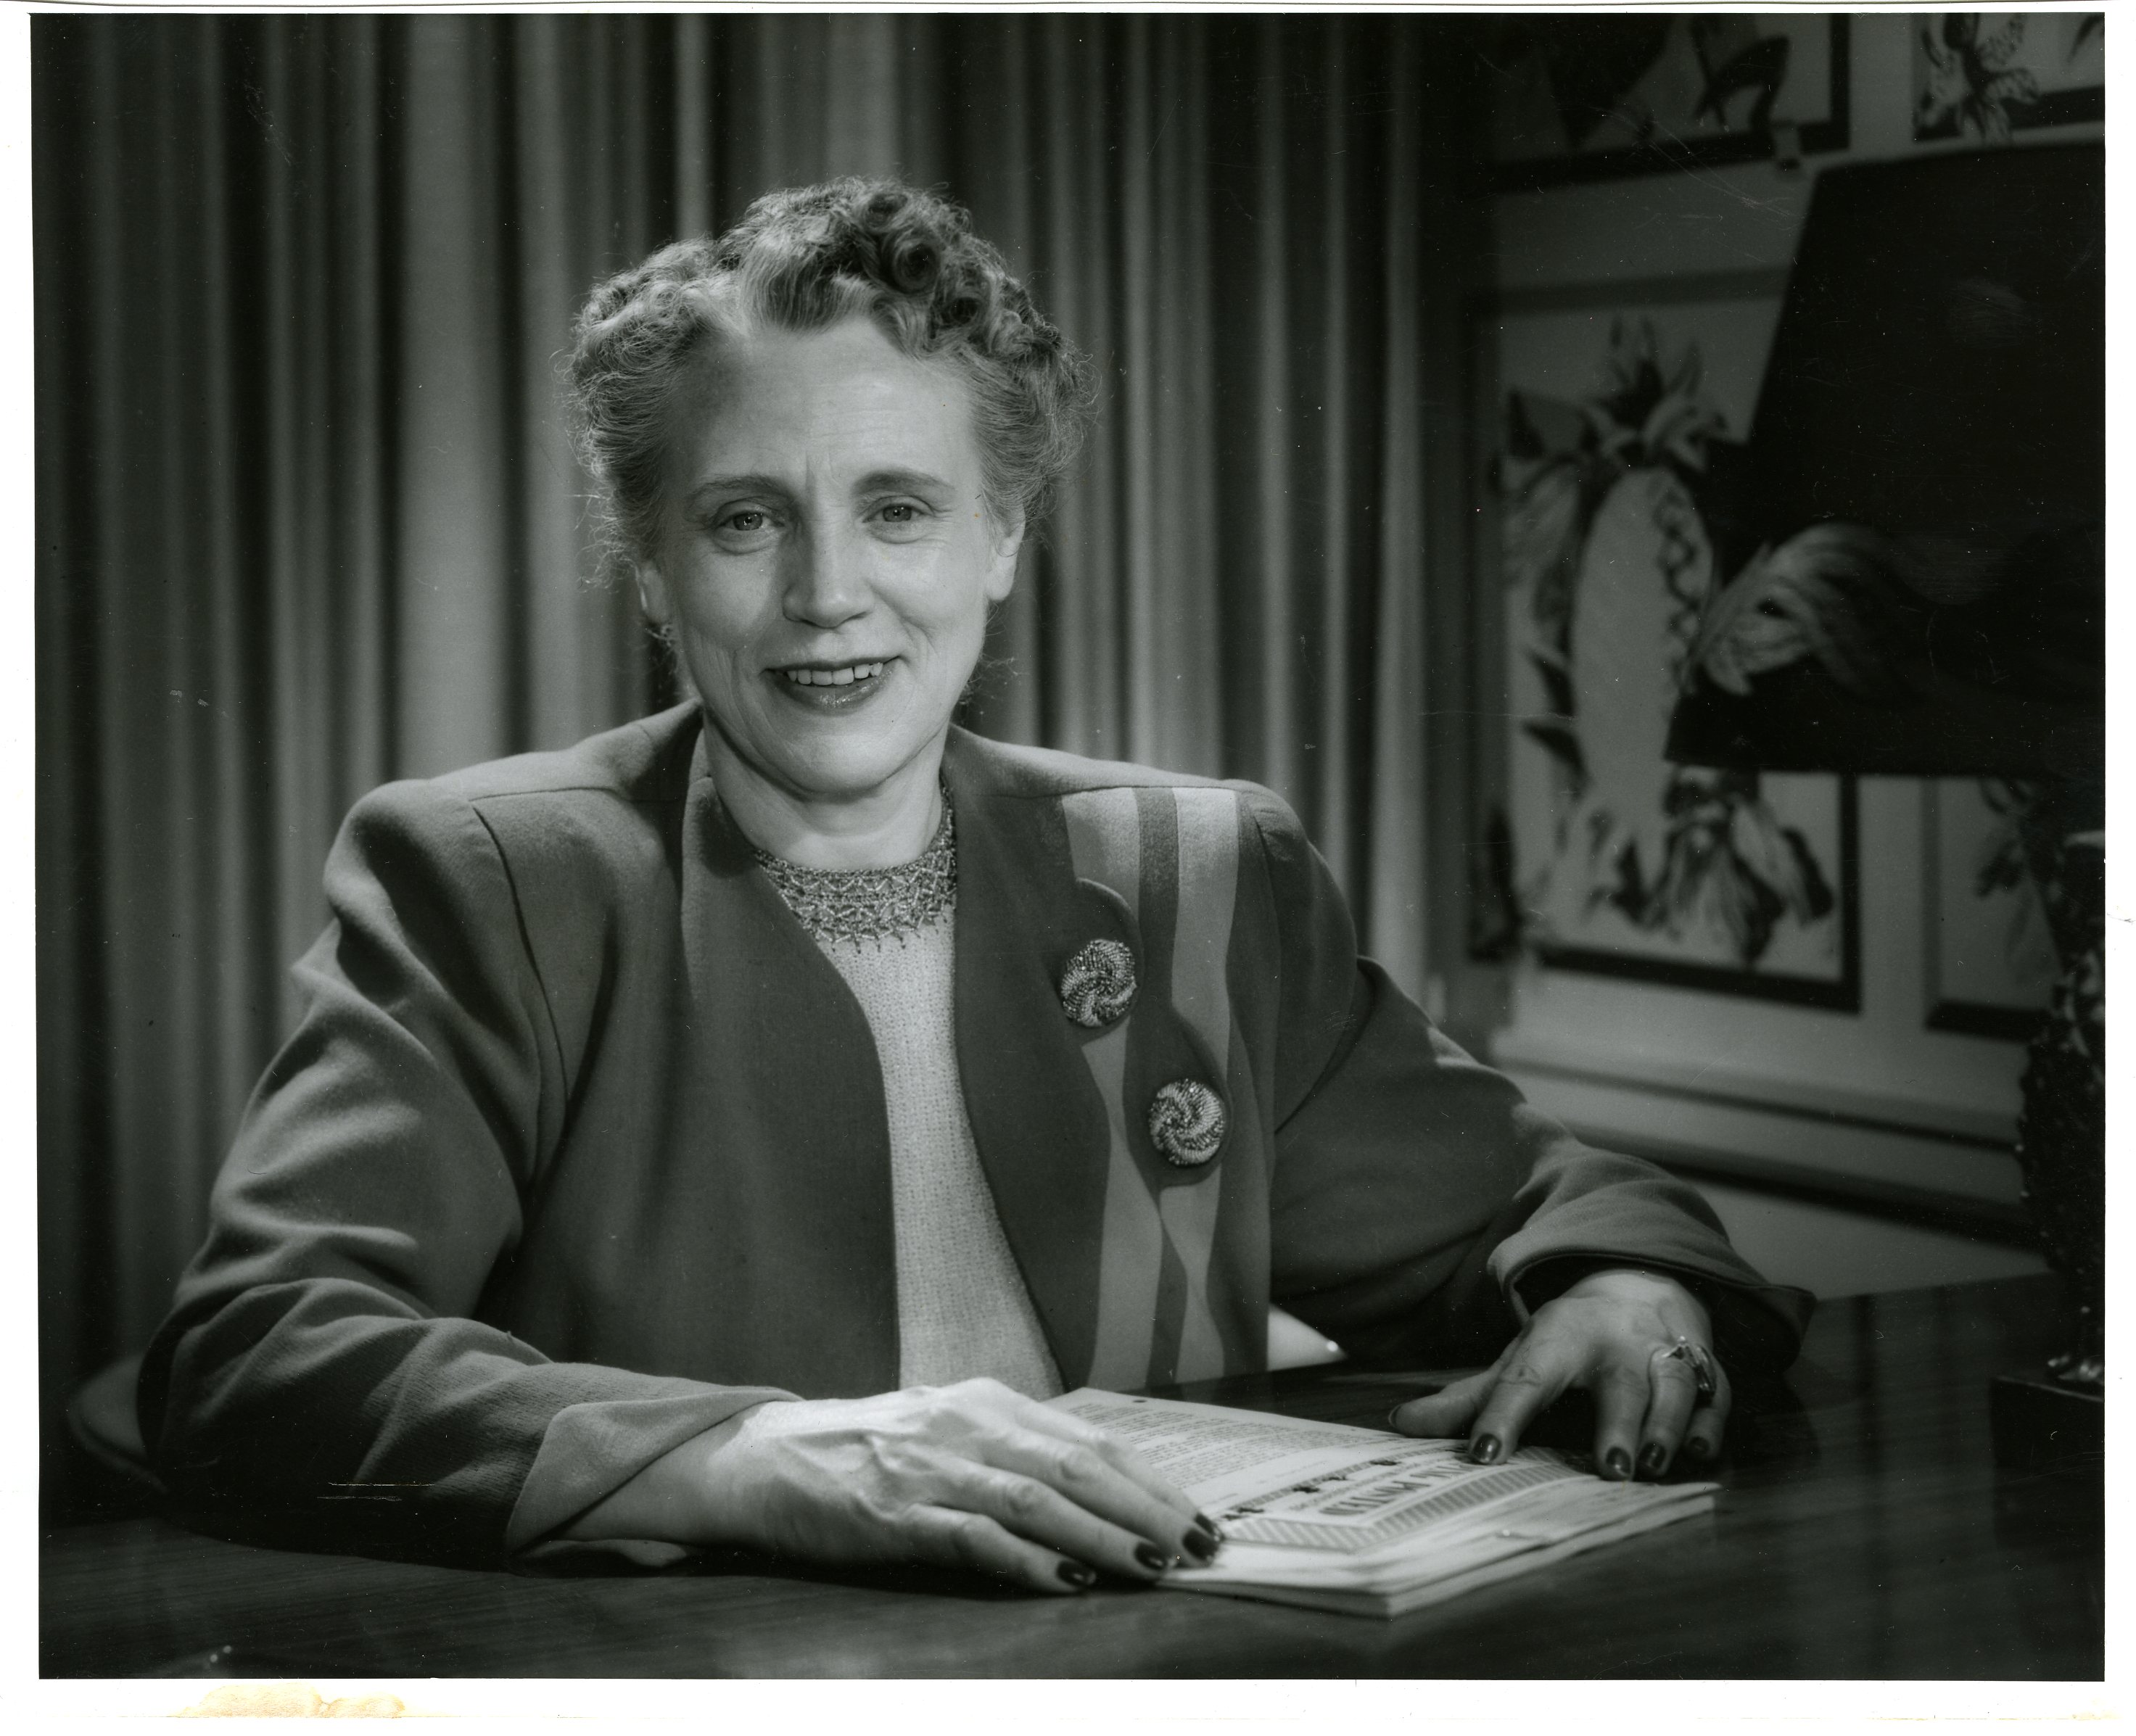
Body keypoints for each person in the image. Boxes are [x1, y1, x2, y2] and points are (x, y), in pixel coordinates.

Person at [139, 178, 1812, 1591]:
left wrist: (1620, 1282)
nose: (828, 594)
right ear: (652, 570)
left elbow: (1537, 1204)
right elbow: (257, 1351)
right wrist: (748, 1452)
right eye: (743, 521)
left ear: (1002, 538)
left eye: (899, 508)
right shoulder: (496, 878)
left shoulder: (1196, 871)